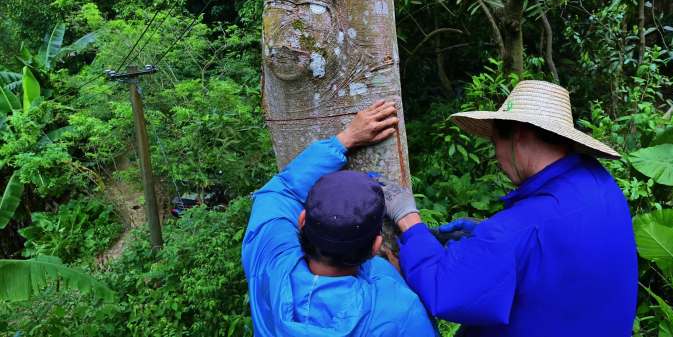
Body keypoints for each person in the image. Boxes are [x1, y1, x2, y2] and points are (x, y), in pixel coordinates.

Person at [384, 80, 638, 337]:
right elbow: (557, 238)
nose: (497, 156)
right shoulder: (602, 184)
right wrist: (482, 237)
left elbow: (446, 290)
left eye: (495, 143)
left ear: (519, 136)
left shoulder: (516, 229)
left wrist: (409, 221)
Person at [242, 100, 437, 337]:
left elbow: (280, 191)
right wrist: (410, 220)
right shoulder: (398, 312)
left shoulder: (270, 259)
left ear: (302, 221)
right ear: (376, 245)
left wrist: (345, 139)